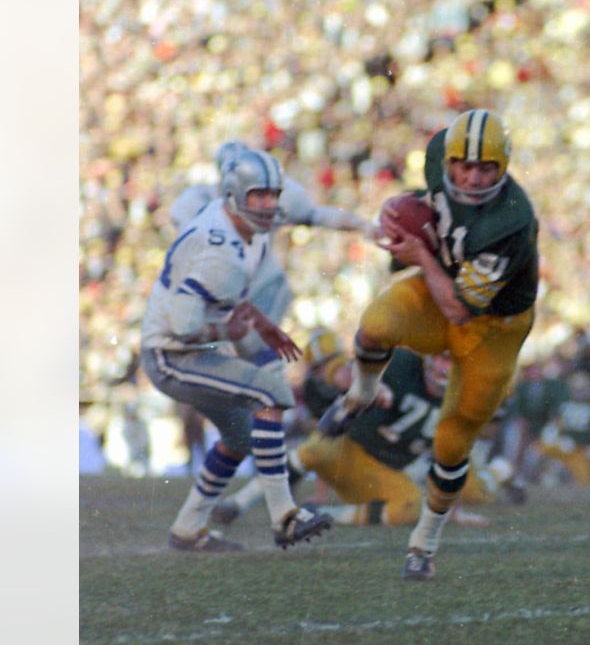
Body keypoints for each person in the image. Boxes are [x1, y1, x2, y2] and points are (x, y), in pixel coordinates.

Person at [317, 109, 539, 580]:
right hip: (443, 292)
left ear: (505, 167)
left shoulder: (512, 221)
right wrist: (404, 216)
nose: (473, 177)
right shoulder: (438, 153)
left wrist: (418, 252)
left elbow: (460, 309)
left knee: (452, 442)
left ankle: (425, 540)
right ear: (448, 159)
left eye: (486, 168)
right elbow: (428, 205)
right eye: (464, 165)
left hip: (493, 330)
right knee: (376, 323)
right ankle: (361, 391)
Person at [140, 147, 333, 551]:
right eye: (256, 196)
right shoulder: (222, 251)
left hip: (177, 347)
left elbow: (226, 299)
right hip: (169, 354)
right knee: (272, 392)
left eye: (272, 195)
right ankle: (284, 516)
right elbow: (184, 327)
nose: (267, 205)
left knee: (240, 435)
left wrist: (261, 324)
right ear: (232, 196)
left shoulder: (239, 231)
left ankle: (188, 529)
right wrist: (227, 331)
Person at [212, 333, 495, 528]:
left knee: (411, 507)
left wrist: (454, 512)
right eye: (441, 358)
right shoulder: (402, 363)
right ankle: (238, 502)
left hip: (386, 473)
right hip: (351, 451)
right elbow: (352, 368)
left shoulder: (460, 399)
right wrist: (368, 385)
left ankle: (321, 514)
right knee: (315, 448)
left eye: (451, 360)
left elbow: (450, 457)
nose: (444, 366)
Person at [170, 140, 374, 371]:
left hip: (262, 289)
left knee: (260, 360)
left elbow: (316, 215)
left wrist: (365, 226)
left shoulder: (276, 198)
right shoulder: (197, 203)